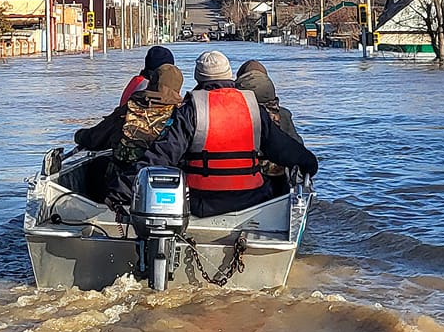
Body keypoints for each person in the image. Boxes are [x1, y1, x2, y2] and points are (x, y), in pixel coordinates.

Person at [140, 50, 317, 217]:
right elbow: (282, 148)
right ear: (230, 75)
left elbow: (163, 154)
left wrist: (127, 186)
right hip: (252, 199)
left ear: (198, 78)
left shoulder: (190, 109)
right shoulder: (252, 106)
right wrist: (309, 162)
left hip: (201, 201)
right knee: (276, 185)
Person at [74, 63, 186, 205]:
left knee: (97, 165)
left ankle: (98, 208)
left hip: (122, 184)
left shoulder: (130, 107)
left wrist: (80, 136)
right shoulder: (182, 113)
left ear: (152, 81)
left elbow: (96, 138)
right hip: (166, 184)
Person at [235, 59, 301, 176]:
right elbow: (297, 147)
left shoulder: (232, 115)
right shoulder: (283, 115)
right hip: (277, 180)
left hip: (242, 177)